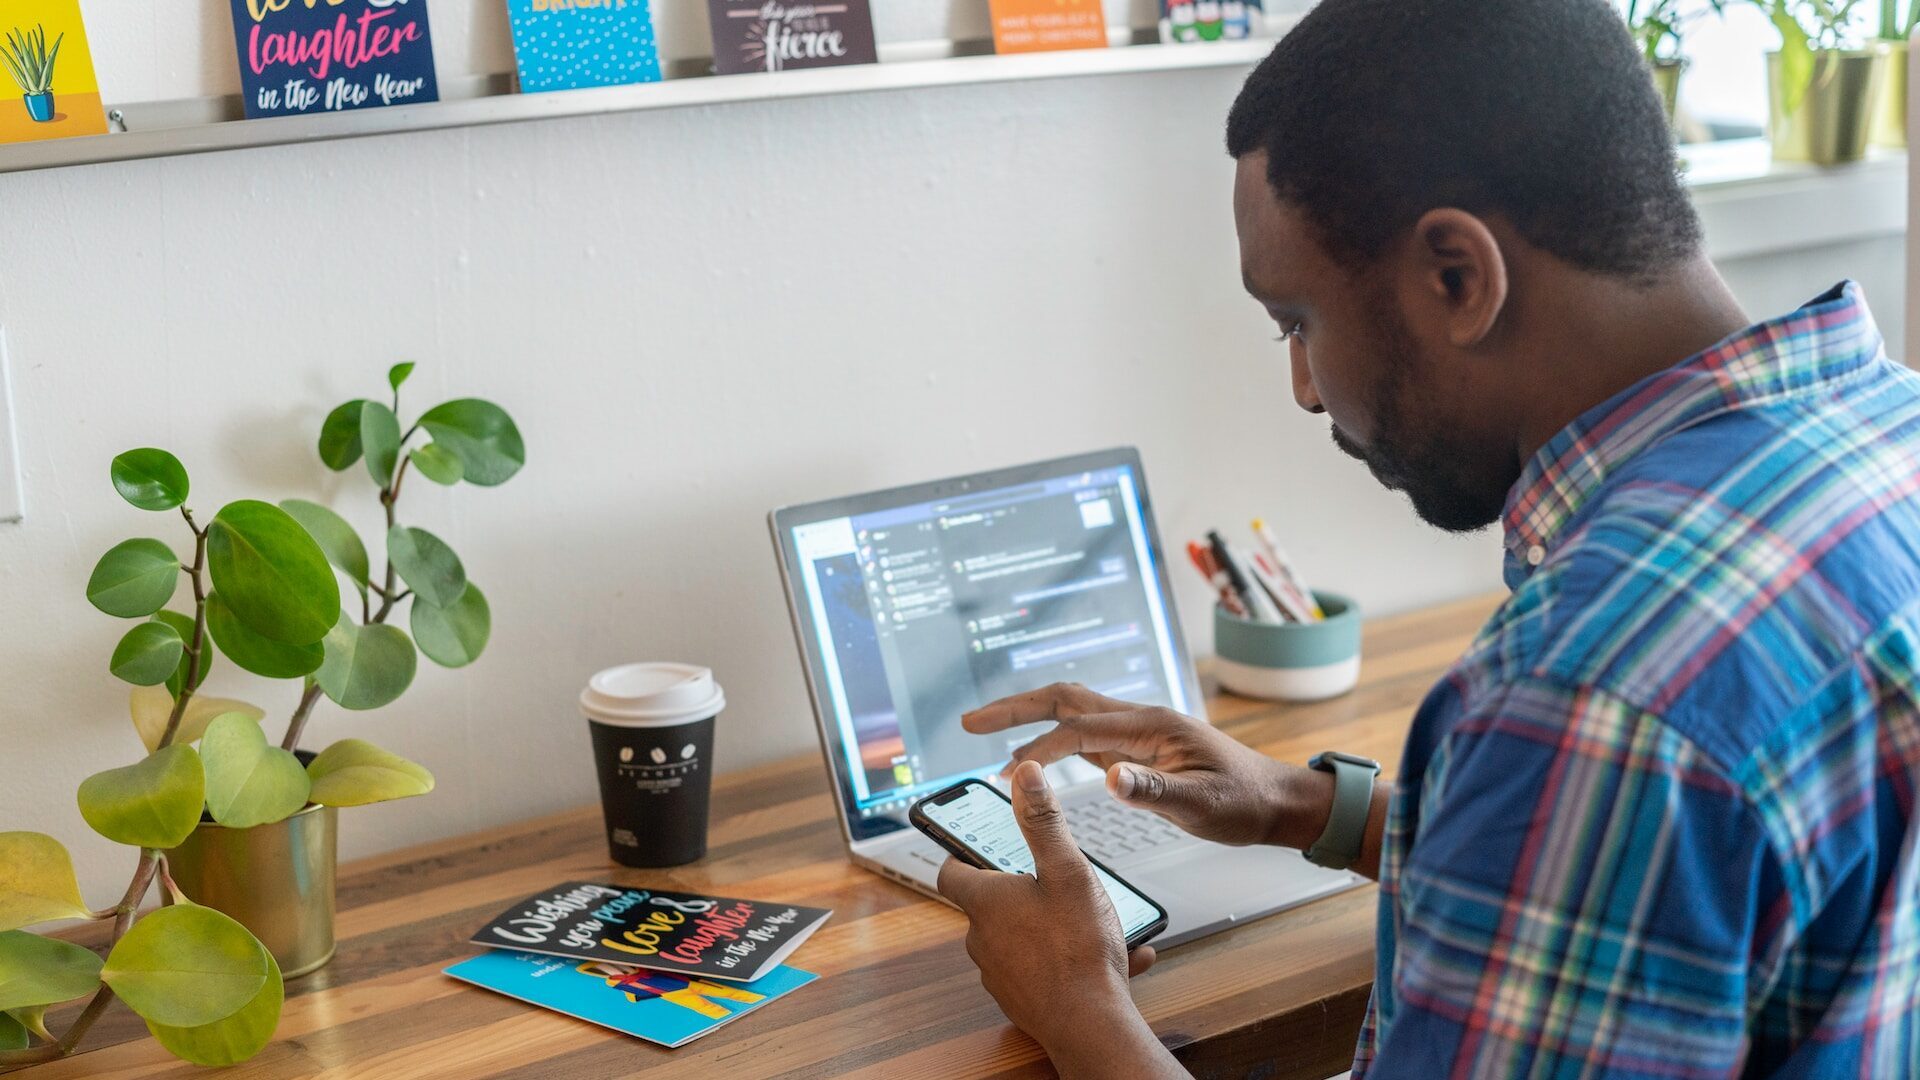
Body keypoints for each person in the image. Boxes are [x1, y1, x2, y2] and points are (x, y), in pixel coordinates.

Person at [935, 0, 1920, 1076]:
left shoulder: (1591, 691)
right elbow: (1685, 874)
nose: (1305, 391)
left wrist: (1080, 1006)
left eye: (1298, 322)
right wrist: (1305, 805)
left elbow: (1619, 767)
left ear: (1459, 277)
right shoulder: (1889, 438)